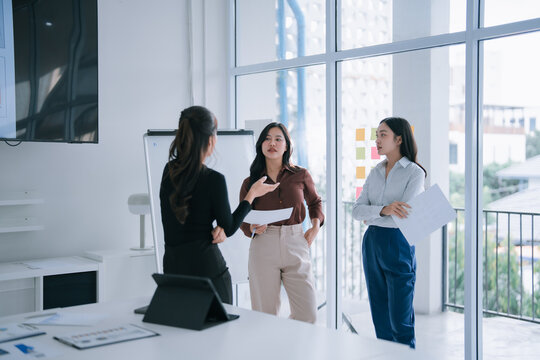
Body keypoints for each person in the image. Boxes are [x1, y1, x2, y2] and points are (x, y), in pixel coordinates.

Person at [159, 106, 279, 305]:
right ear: (210, 140)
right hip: (208, 272)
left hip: (173, 269)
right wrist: (252, 194)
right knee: (219, 333)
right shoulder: (213, 180)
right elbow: (230, 226)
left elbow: (185, 220)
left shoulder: (168, 171)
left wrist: (219, 227)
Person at [239, 122, 324, 324]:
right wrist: (251, 228)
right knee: (264, 316)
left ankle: (289, 345)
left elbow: (315, 202)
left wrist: (315, 226)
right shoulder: (250, 182)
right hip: (263, 244)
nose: (272, 143)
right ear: (260, 145)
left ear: (287, 146)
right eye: (267, 139)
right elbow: (241, 217)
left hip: (296, 242)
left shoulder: (300, 175)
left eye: (278, 139)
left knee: (308, 315)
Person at [352, 117, 426, 349]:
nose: (377, 140)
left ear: (399, 138)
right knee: (380, 318)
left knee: (400, 321)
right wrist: (384, 209)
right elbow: (356, 211)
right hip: (372, 242)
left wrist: (373, 213)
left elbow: (403, 213)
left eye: (383, 134)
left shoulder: (415, 173)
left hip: (398, 242)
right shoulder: (375, 172)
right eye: (376, 135)